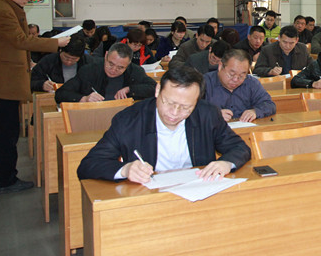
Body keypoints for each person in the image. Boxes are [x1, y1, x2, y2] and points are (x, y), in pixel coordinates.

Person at [0, 0, 70, 193]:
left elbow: (11, 43)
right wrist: (55, 43)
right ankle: (5, 179)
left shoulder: (6, 7)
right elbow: (20, 40)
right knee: (6, 133)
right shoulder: (2, 11)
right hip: (4, 81)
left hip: (2, 78)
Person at [77, 66, 251, 183]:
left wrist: (226, 163)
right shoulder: (129, 120)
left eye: (186, 107)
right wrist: (126, 169)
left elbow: (239, 147)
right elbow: (88, 165)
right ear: (158, 90)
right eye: (169, 102)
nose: (174, 113)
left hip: (198, 192)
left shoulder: (207, 114)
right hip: (149, 197)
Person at [55, 43, 157, 103]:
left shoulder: (135, 71)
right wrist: (84, 99)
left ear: (129, 63)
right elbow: (60, 94)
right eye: (110, 64)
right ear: (106, 55)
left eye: (120, 68)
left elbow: (154, 88)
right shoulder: (89, 70)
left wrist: (130, 89)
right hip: (94, 117)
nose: (113, 70)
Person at [202, 49, 276, 123]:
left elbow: (269, 104)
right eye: (231, 74)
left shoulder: (251, 83)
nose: (235, 79)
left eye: (241, 76)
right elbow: (195, 111)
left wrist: (255, 112)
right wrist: (212, 114)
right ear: (220, 66)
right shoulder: (204, 83)